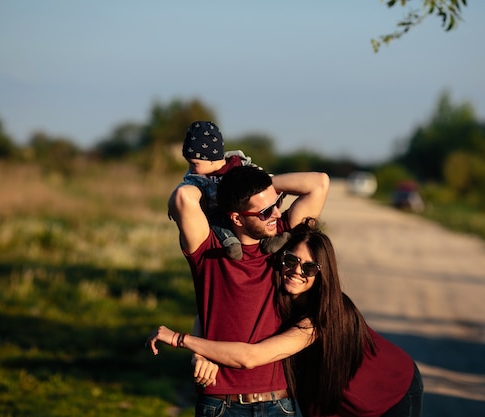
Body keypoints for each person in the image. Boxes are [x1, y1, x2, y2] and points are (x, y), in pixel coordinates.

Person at [148, 218, 423, 417]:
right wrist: (202, 355)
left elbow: (250, 357)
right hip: (337, 395)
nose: (297, 271)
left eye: (310, 268)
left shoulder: (320, 317)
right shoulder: (275, 289)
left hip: (391, 389)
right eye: (291, 260)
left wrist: (180, 339)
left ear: (322, 274)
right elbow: (211, 311)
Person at [166, 164, 330, 416]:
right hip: (221, 403)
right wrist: (219, 185)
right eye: (265, 211)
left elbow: (319, 183)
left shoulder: (284, 242)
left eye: (276, 203)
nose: (276, 212)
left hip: (280, 403)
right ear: (237, 217)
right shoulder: (207, 249)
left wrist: (264, 183)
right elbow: (183, 197)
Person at [176, 120, 290, 260]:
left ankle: (269, 240)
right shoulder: (196, 177)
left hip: (243, 209)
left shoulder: (238, 164)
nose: (191, 168)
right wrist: (174, 204)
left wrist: (268, 183)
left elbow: (256, 174)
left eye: (194, 164)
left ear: (211, 159)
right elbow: (184, 189)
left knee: (258, 217)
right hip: (216, 212)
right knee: (217, 222)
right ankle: (231, 244)